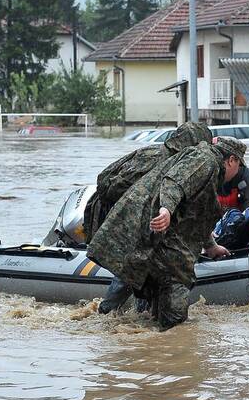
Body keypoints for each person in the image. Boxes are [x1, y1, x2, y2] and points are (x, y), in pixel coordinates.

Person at [89, 136, 247, 330]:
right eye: (239, 165)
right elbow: (174, 182)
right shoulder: (206, 160)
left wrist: (211, 246)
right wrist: (166, 209)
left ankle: (120, 332)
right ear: (232, 160)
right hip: (160, 238)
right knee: (174, 313)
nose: (238, 172)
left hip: (157, 240)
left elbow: (196, 217)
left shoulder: (206, 166)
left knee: (140, 283)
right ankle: (170, 345)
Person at [90, 122, 212, 314]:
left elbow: (193, 214)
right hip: (136, 220)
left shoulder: (161, 154)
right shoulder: (173, 162)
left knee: (146, 270)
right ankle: (108, 313)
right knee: (132, 268)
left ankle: (134, 315)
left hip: (145, 219)